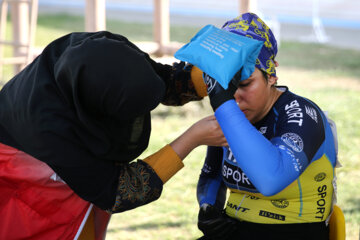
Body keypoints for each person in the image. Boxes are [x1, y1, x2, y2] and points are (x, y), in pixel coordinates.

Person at [0, 31, 226, 239]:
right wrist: (191, 139)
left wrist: (219, 70)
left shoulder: (109, 50)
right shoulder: (51, 129)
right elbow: (116, 192)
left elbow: (164, 80)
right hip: (22, 172)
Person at [194, 13, 338, 240]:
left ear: (271, 76)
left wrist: (223, 104)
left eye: (244, 84)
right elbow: (212, 175)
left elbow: (271, 179)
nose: (234, 99)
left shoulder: (300, 114)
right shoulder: (231, 112)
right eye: (224, 88)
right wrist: (207, 208)